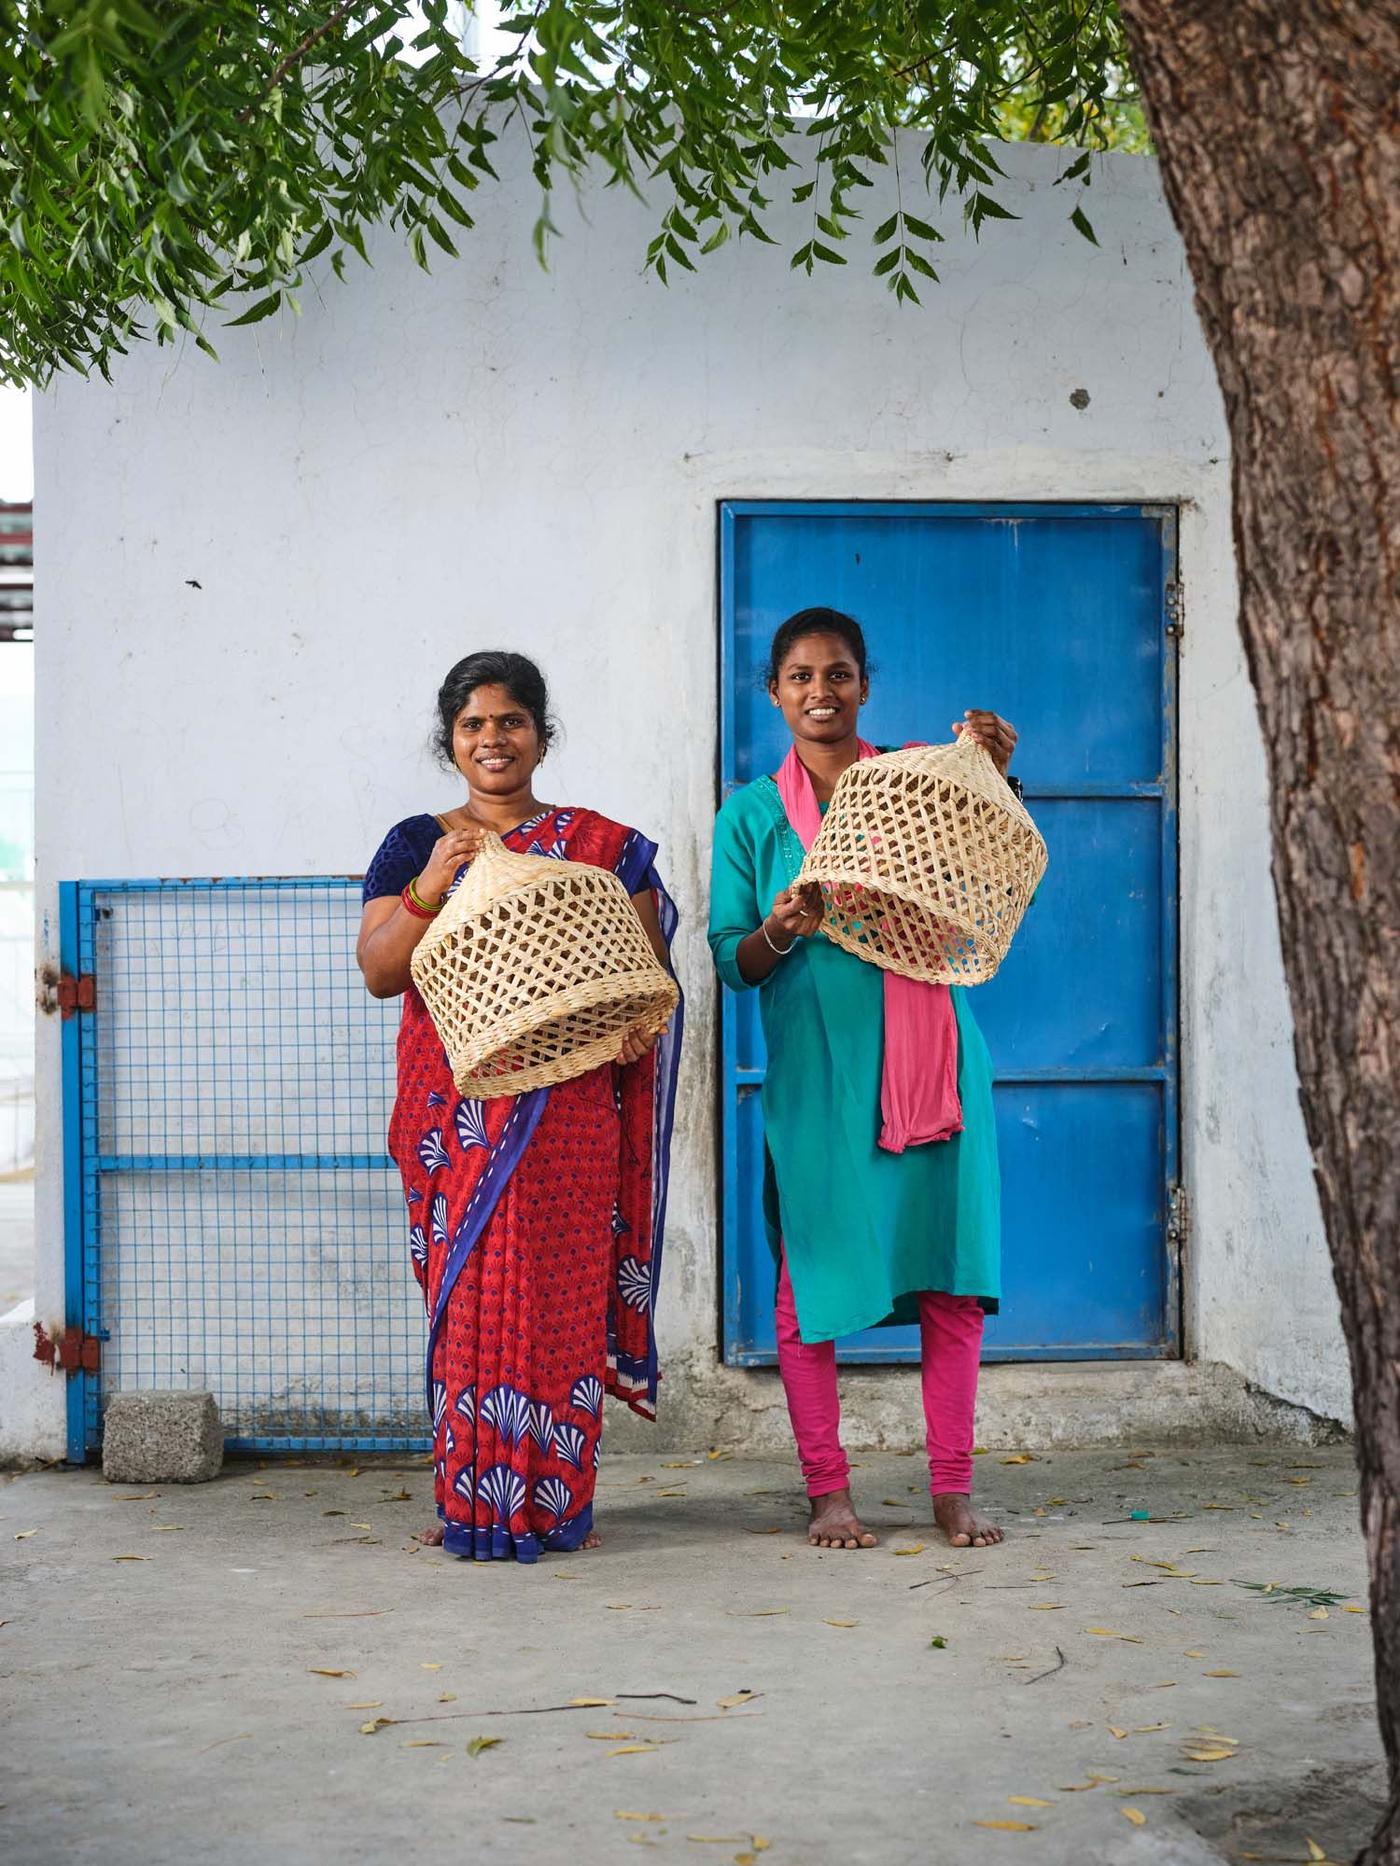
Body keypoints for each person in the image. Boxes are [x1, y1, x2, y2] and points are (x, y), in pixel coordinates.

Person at [358, 651, 681, 1562]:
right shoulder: (415, 841)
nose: (492, 740)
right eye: (473, 725)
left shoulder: (603, 846)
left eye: (510, 722)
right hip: (455, 1121)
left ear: (541, 733)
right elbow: (382, 971)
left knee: (557, 1302)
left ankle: (552, 1503)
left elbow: (648, 980)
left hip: (572, 1116)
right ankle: (475, 1502)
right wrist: (434, 882)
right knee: (471, 1302)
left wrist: (633, 1036)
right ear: (449, 740)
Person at [708, 608, 1019, 1551]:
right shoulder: (753, 817)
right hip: (823, 1079)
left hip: (937, 1064)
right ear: (774, 693)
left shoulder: (909, 784)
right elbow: (732, 960)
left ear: (864, 684)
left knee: (952, 1281)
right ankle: (827, 1492)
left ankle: (954, 1489)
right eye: (799, 676)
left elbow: (988, 861)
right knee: (813, 1282)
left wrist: (994, 775)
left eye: (837, 673)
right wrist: (786, 925)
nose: (819, 692)